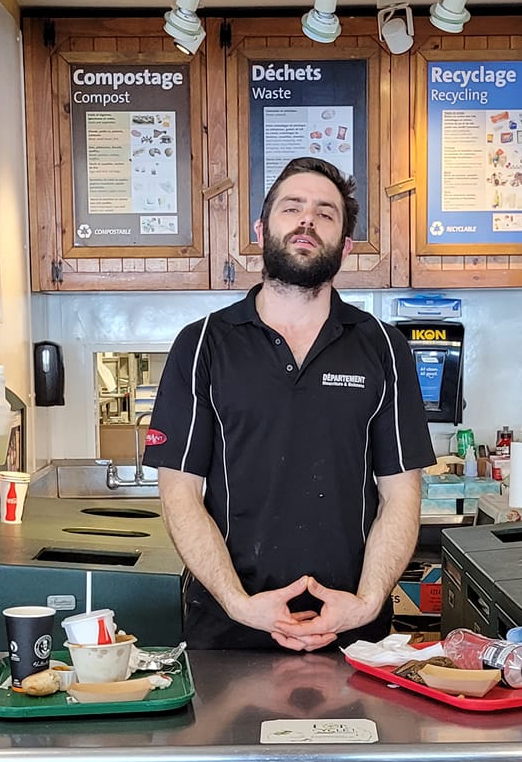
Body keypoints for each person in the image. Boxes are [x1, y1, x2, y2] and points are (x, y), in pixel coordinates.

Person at [144, 157, 434, 652]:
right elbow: (180, 494)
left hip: (353, 633)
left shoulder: (384, 347)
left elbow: (401, 495)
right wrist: (238, 603)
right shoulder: (203, 345)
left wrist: (365, 603)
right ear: (261, 229)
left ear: (344, 245)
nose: (307, 220)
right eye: (291, 207)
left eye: (325, 213)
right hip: (230, 628)